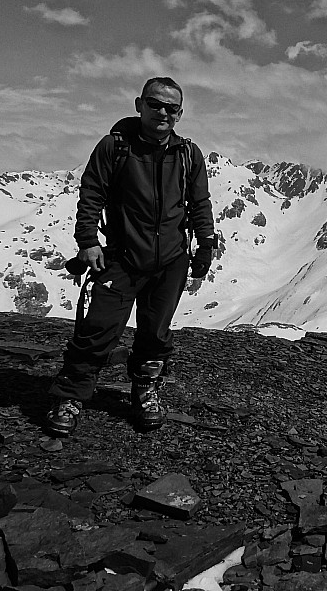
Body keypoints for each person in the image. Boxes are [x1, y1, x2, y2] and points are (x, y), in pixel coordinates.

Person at [45, 76, 216, 436]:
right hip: (120, 257)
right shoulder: (114, 148)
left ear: (180, 114)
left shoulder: (188, 155)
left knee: (155, 333)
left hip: (170, 259)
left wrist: (206, 243)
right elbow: (91, 193)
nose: (163, 112)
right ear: (139, 105)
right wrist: (88, 240)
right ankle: (71, 395)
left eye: (171, 108)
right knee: (97, 330)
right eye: (155, 104)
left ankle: (146, 390)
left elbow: (199, 202)